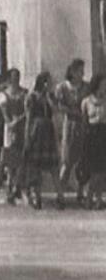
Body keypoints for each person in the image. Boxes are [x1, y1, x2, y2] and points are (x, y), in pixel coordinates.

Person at [23, 71, 65, 210]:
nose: (49, 84)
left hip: (48, 131)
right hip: (37, 131)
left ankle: (60, 197)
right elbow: (29, 118)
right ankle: (37, 197)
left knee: (53, 167)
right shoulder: (32, 97)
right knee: (36, 168)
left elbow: (55, 111)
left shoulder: (49, 97)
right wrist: (27, 137)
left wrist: (49, 98)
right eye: (47, 82)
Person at [54, 58, 88, 204]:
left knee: (83, 161)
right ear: (73, 72)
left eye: (83, 71)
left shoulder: (86, 87)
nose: (82, 73)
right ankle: (60, 194)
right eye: (80, 71)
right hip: (70, 125)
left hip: (84, 125)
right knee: (67, 161)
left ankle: (81, 192)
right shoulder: (62, 88)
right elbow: (58, 106)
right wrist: (73, 111)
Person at [0, 67, 27, 204]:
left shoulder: (24, 93)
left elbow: (27, 110)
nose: (16, 79)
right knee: (7, 158)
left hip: (21, 127)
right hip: (10, 128)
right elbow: (4, 111)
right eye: (13, 77)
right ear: (9, 79)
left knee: (20, 158)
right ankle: (5, 186)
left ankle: (15, 187)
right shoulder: (4, 95)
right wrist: (11, 123)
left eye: (17, 76)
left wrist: (20, 119)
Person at [81, 73, 106, 209]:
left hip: (104, 133)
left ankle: (97, 198)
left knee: (102, 170)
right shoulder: (86, 101)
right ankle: (90, 195)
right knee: (94, 169)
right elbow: (84, 121)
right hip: (92, 135)